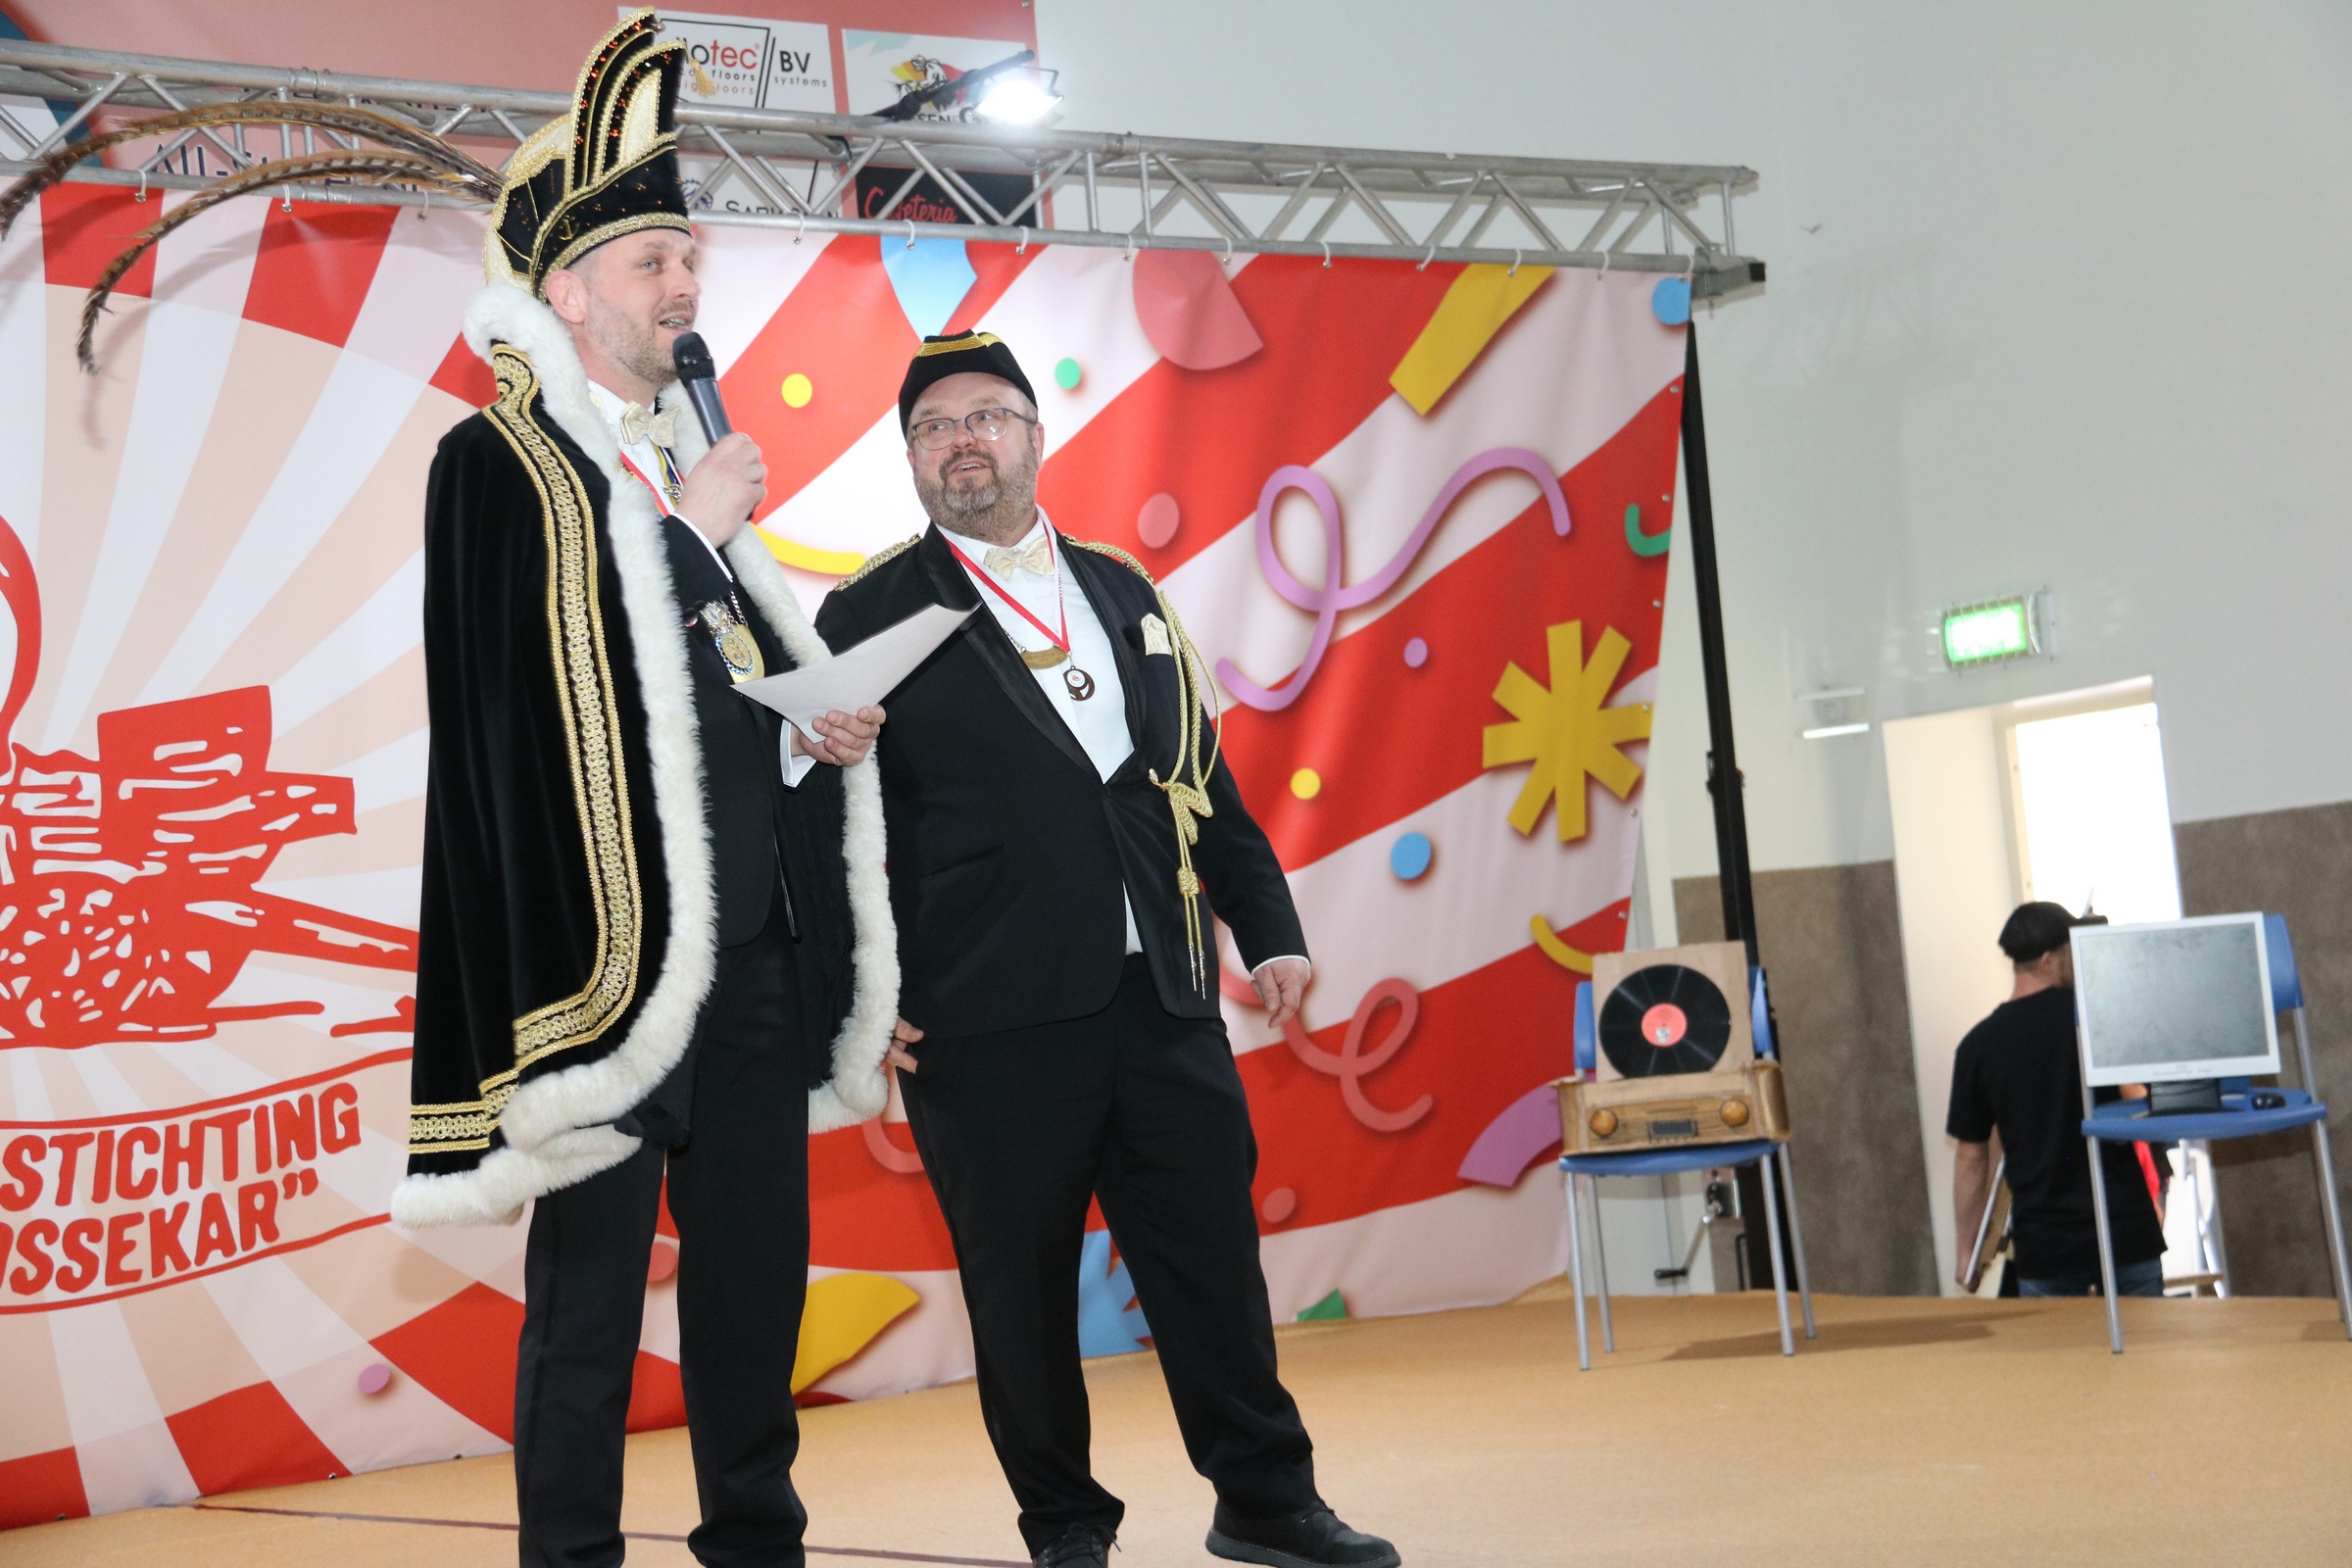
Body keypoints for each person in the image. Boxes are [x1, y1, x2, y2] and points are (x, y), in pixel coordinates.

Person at [385, 15, 899, 1565]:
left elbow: (699, 695)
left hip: (749, 958)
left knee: (755, 1292)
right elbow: (535, 686)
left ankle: (756, 1541)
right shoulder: (500, 464)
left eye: (690, 259)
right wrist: (689, 533)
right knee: (590, 1303)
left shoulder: (690, 459)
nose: (683, 286)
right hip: (610, 962)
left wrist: (810, 734)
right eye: (650, 262)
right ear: (566, 293)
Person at [813, 333, 1398, 1568]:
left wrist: (1266, 925)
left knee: (1213, 1270)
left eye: (988, 415)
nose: (963, 441)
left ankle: (1266, 1501)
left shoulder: (1122, 586)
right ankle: (1066, 1525)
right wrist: (858, 994)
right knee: (1020, 1293)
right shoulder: (865, 610)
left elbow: (1197, 774)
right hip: (983, 1013)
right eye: (934, 426)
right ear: (910, 457)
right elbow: (825, 824)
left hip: (1165, 993)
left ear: (1036, 435)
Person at [1948, 902, 2166, 1298]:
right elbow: (2144, 1100)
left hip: (2046, 1245)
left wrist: (1968, 1250)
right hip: (2123, 1232)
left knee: (2056, 1342)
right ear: (2050, 959)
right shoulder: (2097, 1021)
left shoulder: (1978, 1047)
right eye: (2071, 950)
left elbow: (1971, 1161)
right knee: (2146, 1339)